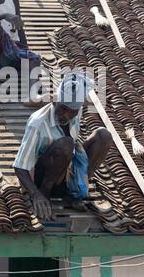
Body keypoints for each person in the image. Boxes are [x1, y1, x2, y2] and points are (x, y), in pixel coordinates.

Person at [13, 73, 113, 220]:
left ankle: (76, 192)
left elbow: (90, 102)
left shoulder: (75, 111)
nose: (66, 115)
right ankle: (45, 195)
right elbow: (19, 166)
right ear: (55, 102)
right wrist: (36, 195)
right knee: (66, 144)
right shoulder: (38, 123)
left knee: (104, 136)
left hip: (64, 173)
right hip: (41, 178)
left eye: (72, 112)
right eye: (63, 109)